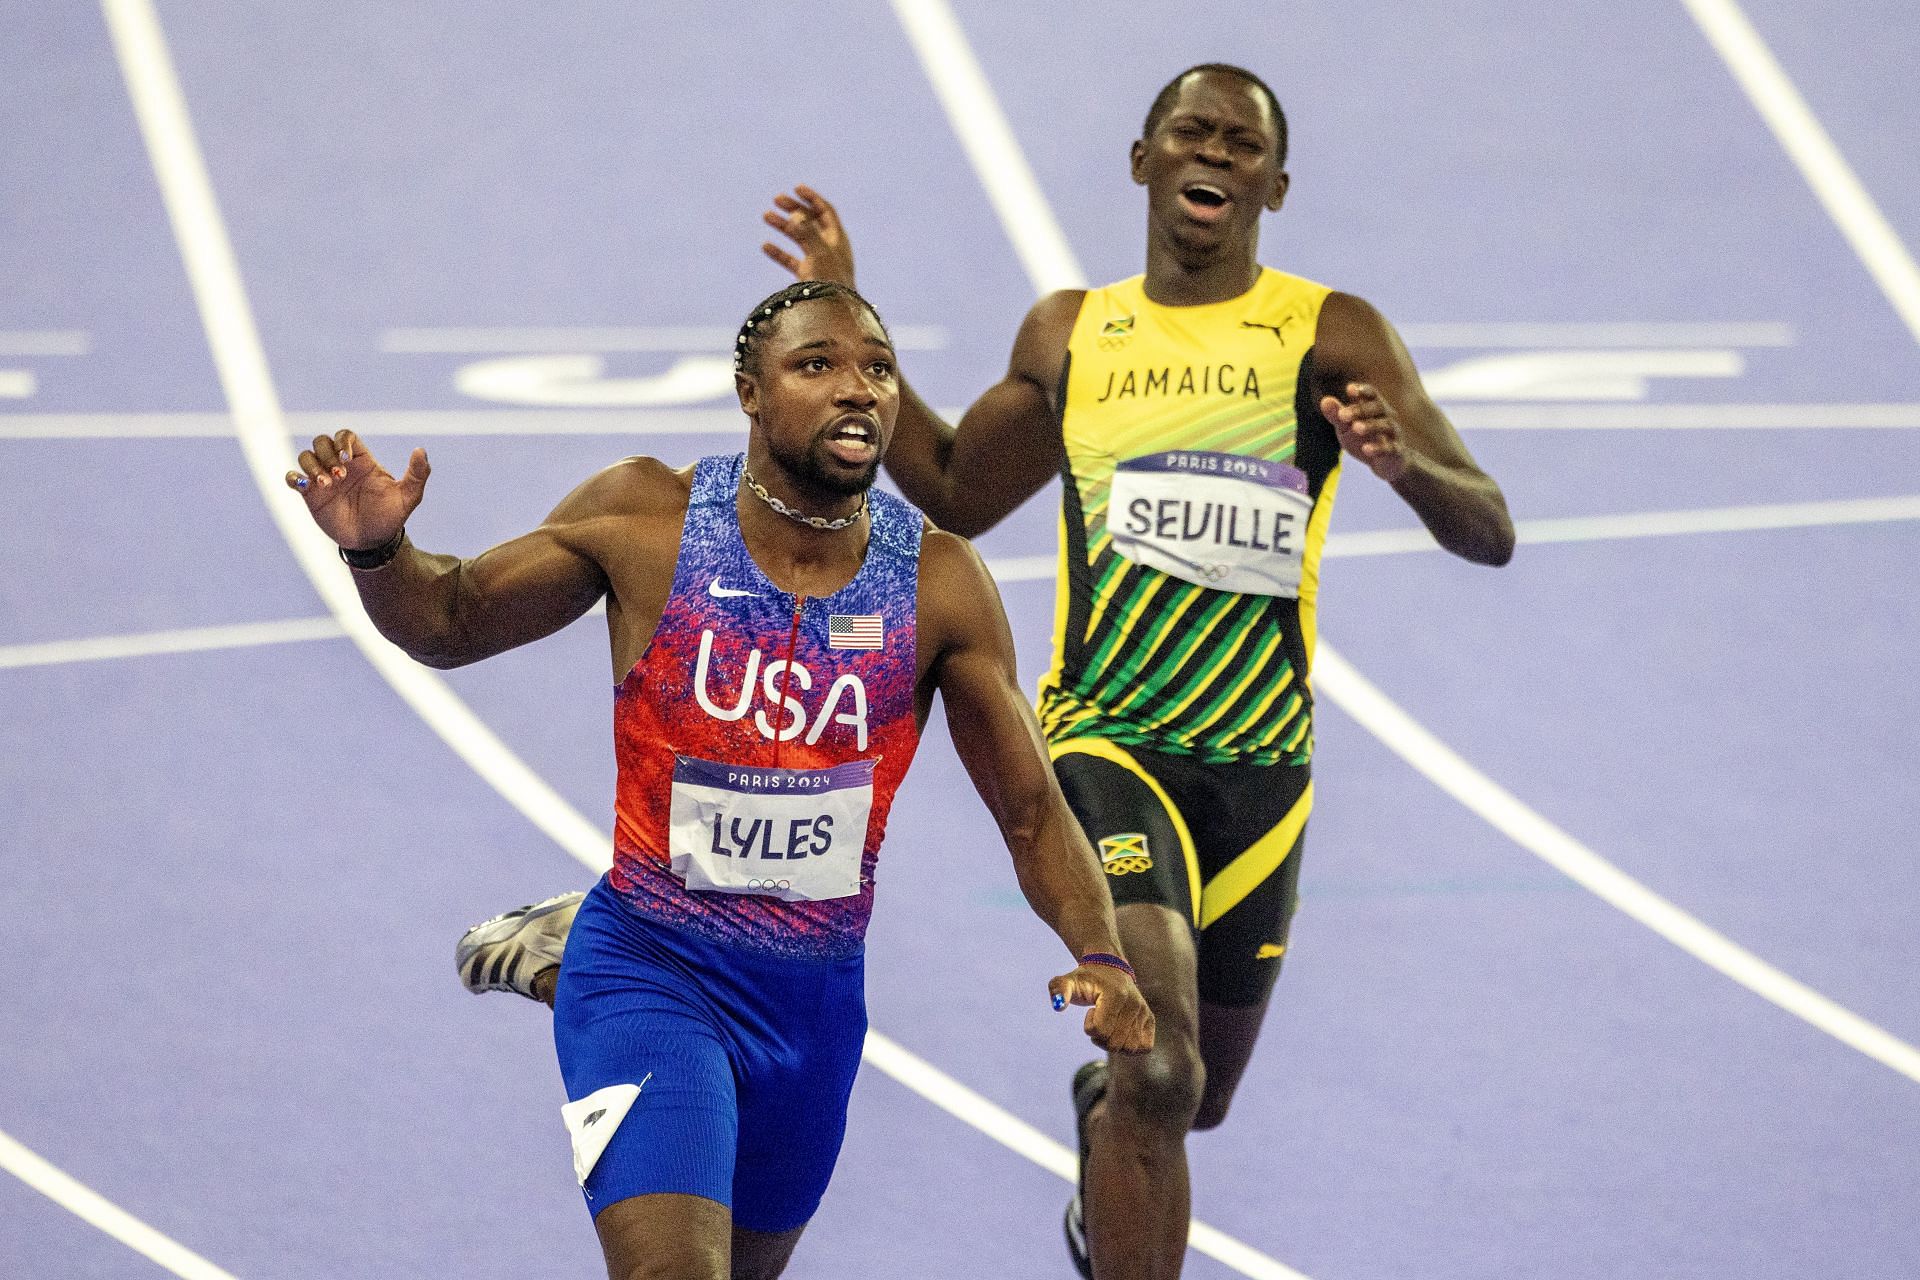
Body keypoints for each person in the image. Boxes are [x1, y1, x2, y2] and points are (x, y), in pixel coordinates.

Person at [752, 65, 1515, 1279]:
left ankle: (1104, 1145)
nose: (1214, 151)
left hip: (1262, 770)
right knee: (1156, 1063)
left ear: (1275, 182)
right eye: (1190, 131)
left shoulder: (1331, 332)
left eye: (1242, 141)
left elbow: (1492, 527)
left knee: (1184, 1099)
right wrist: (844, 313)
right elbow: (956, 486)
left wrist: (1404, 468)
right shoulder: (1075, 334)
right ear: (1143, 159)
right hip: (1109, 742)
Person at [286, 279, 1154, 1280]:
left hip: (810, 1007)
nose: (858, 390)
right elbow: (448, 620)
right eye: (816, 365)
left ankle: (559, 949)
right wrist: (378, 546)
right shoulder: (647, 520)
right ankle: (589, 958)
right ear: (750, 390)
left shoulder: (938, 582)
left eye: (877, 367)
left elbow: (1030, 805)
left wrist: (1105, 952)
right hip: (655, 965)